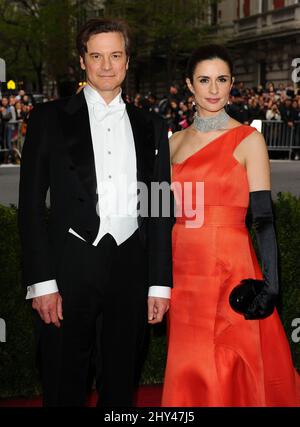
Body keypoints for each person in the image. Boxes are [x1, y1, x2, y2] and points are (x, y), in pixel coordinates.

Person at [18, 18, 172, 407]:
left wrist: (158, 284)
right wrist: (43, 284)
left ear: (127, 61)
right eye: (97, 56)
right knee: (63, 384)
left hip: (130, 272)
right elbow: (31, 207)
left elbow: (157, 210)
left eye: (115, 55)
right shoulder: (48, 119)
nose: (107, 65)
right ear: (82, 60)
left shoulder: (151, 125)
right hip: (69, 270)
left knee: (121, 389)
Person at [162, 44, 300, 406]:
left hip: (230, 266)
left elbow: (264, 220)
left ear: (232, 84)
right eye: (204, 80)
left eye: (221, 80)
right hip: (183, 270)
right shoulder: (173, 144)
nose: (213, 89)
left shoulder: (249, 140)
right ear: (189, 86)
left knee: (227, 358)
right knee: (188, 359)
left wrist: (271, 285)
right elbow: (160, 216)